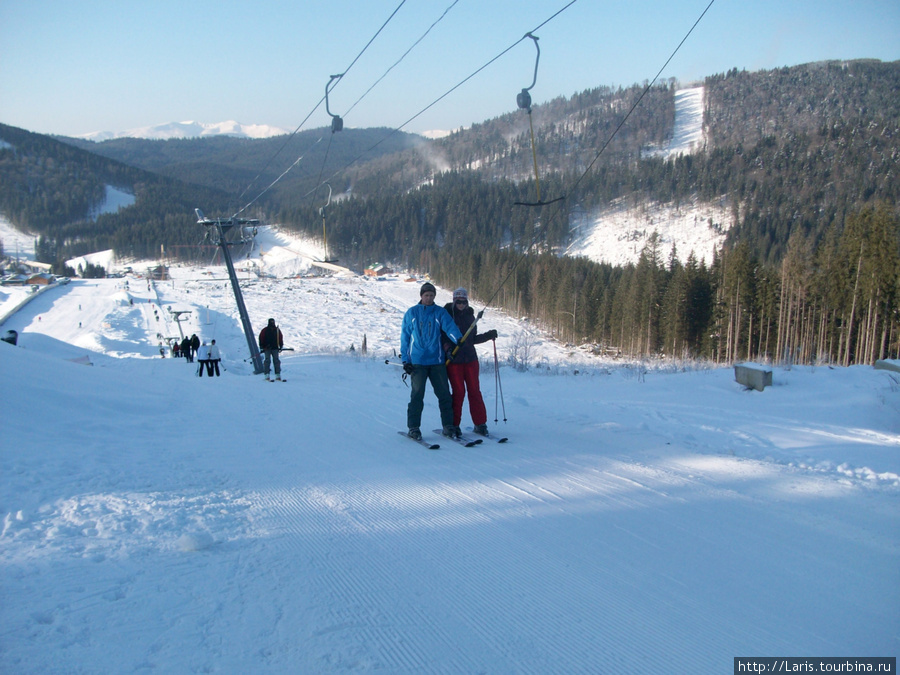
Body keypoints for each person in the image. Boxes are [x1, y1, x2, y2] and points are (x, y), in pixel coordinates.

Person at [400, 282, 463, 439]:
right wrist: (405, 360)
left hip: (437, 361)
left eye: (431, 295)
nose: (429, 298)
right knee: (417, 396)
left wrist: (458, 339)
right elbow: (405, 337)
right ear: (421, 296)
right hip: (418, 363)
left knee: (444, 395)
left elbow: (450, 327)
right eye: (426, 295)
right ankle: (413, 427)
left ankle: (448, 426)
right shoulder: (412, 313)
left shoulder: (439, 313)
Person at [443, 288, 498, 436]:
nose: (461, 304)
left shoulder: (470, 316)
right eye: (459, 301)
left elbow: (471, 340)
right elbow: (443, 337)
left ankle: (480, 423)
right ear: (454, 301)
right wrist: (448, 350)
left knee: (474, 391)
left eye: (464, 302)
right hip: (455, 361)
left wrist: (488, 335)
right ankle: (453, 425)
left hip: (471, 360)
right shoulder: (447, 315)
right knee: (459, 392)